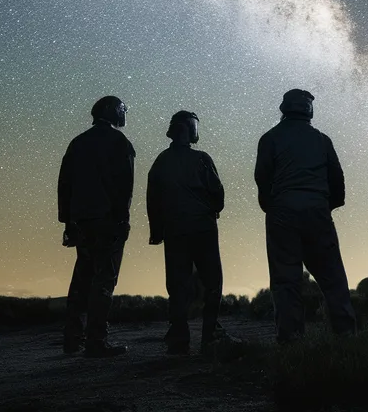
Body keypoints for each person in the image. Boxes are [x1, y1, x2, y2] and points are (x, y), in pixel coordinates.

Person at [254, 89, 357, 343]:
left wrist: (272, 206)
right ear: (309, 109)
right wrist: (325, 205)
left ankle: (291, 342)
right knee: (333, 277)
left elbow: (262, 177)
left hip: (282, 213)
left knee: (286, 280)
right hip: (317, 213)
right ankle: (346, 337)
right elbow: (337, 180)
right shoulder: (322, 140)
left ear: (284, 108)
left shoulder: (270, 138)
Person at [146, 110, 239, 355]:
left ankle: (178, 337)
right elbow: (218, 195)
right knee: (212, 282)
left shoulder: (161, 161)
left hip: (174, 231)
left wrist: (156, 231)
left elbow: (152, 199)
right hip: (203, 229)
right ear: (190, 129)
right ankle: (210, 335)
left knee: (177, 284)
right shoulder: (202, 159)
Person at [57, 95, 135, 357]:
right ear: (113, 111)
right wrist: (123, 219)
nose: (125, 113)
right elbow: (125, 187)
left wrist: (67, 221)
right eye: (123, 109)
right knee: (104, 280)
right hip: (107, 221)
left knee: (82, 279)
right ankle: (96, 341)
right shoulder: (119, 142)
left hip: (82, 222)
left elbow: (64, 185)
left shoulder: (78, 143)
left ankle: (72, 340)